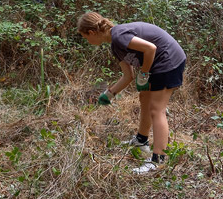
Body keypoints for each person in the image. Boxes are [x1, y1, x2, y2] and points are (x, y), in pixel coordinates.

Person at [77, 12, 186, 174]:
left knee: (157, 110)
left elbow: (151, 48)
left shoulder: (119, 35)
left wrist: (144, 73)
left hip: (168, 61)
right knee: (144, 98)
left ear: (91, 32)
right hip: (158, 64)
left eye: (85, 37)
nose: (87, 41)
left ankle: (158, 160)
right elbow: (128, 76)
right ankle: (141, 141)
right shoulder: (115, 46)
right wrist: (110, 93)